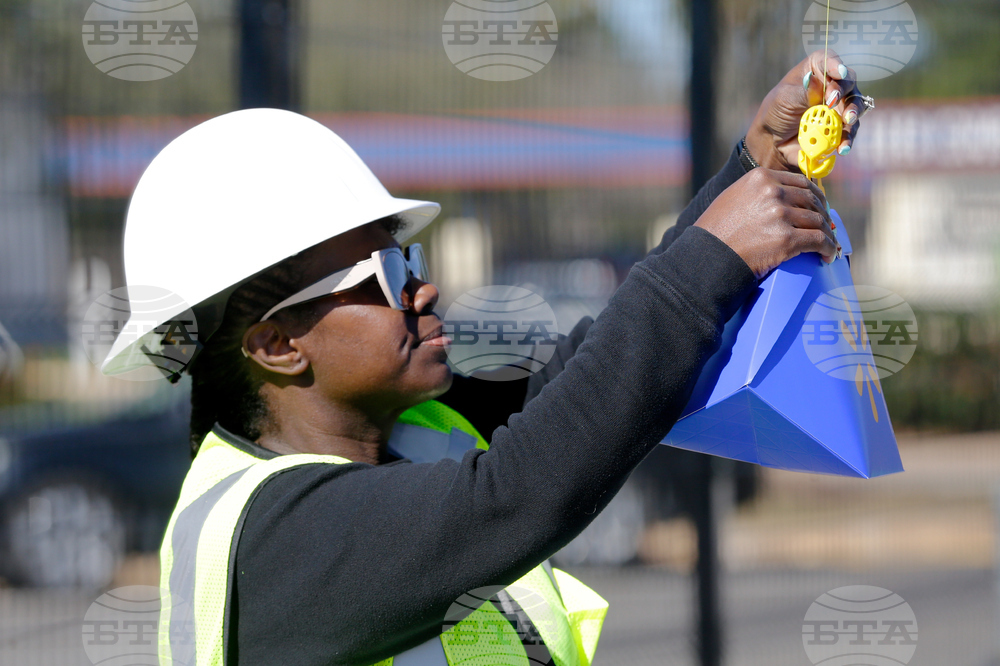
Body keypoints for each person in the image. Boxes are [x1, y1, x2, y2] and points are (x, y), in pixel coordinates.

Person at [106, 51, 864, 665]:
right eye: (388, 276)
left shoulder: (409, 434)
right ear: (276, 344)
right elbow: (524, 487)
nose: (425, 288)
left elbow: (575, 385)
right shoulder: (274, 538)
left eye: (413, 259)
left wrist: (753, 170)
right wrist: (712, 256)